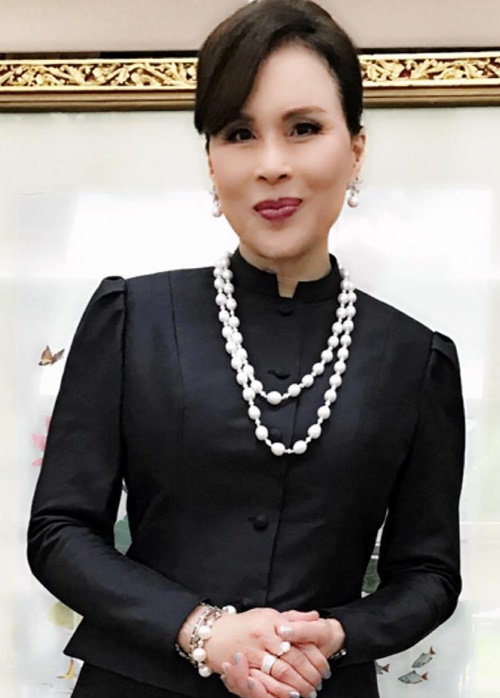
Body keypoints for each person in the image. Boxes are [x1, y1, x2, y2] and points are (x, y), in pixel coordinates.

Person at [27, 1, 466, 697]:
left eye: (303, 128)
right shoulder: (131, 319)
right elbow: (59, 531)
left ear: (356, 148)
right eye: (238, 133)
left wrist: (339, 635)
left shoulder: (417, 359)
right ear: (212, 159)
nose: (271, 164)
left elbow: (430, 574)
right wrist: (202, 629)